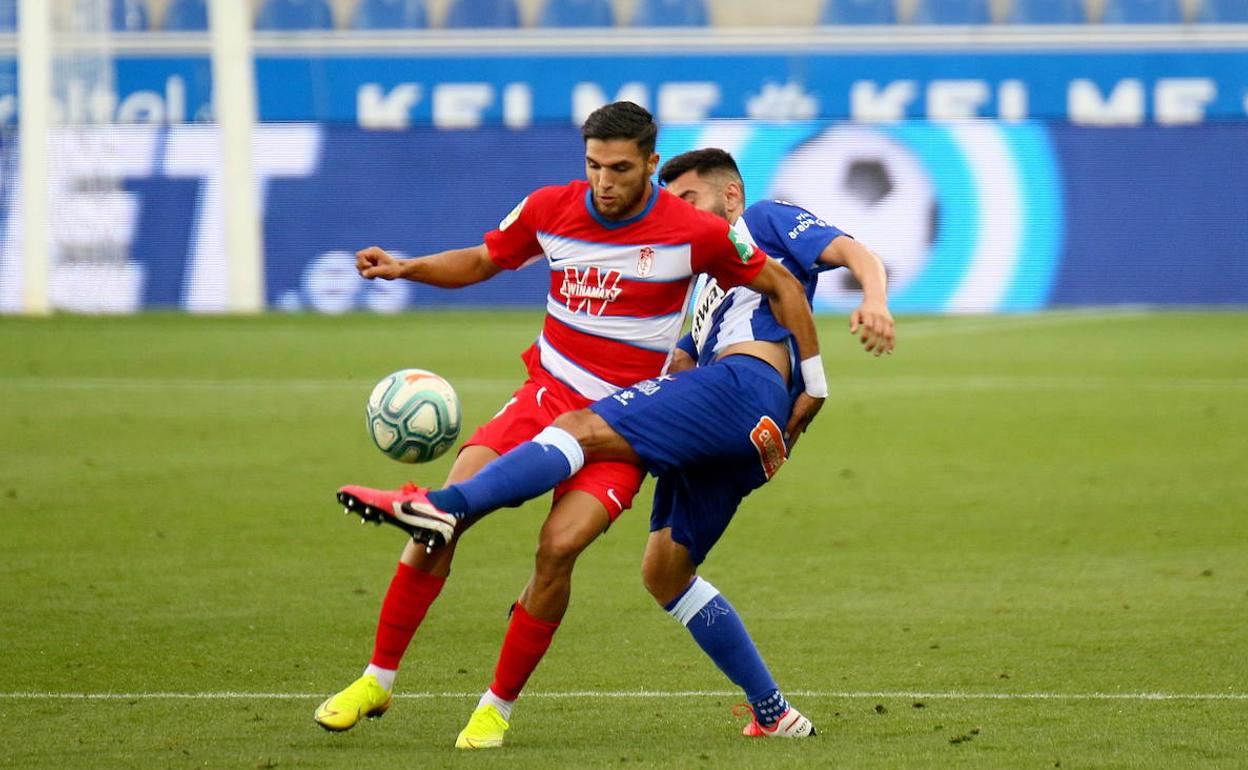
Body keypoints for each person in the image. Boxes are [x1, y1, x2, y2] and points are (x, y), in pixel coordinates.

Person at [315, 103, 826, 749]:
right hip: (545, 395)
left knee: (558, 550)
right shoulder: (550, 208)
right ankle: (376, 678)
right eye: (593, 165)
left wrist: (812, 381)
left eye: (619, 168)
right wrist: (406, 266)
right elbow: (482, 260)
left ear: (647, 162)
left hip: (626, 424)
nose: (604, 181)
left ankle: (495, 708)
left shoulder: (693, 231)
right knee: (443, 522)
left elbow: (779, 283)